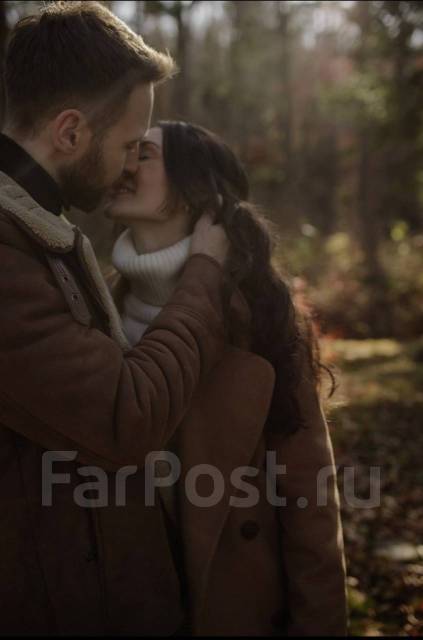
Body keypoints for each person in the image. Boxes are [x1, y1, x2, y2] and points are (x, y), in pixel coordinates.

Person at [0, 3, 232, 635]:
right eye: (130, 144)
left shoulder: (35, 232)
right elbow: (126, 417)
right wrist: (204, 278)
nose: (134, 163)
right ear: (70, 132)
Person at [106, 121, 349, 636]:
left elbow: (311, 506)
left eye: (143, 153)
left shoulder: (264, 318)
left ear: (197, 190)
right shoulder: (92, 310)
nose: (124, 163)